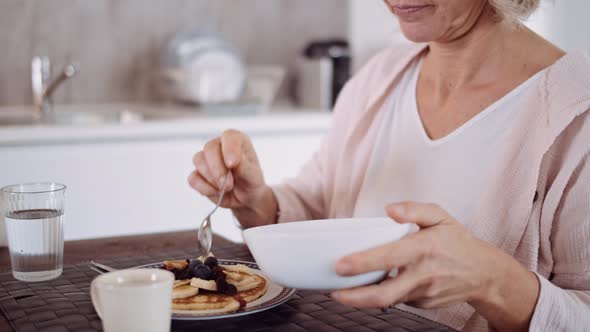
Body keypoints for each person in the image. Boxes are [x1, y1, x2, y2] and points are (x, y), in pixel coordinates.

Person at [188, 0, 590, 330]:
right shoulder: (380, 77)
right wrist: (255, 200)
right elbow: (321, 202)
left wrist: (493, 281)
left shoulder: (578, 113)